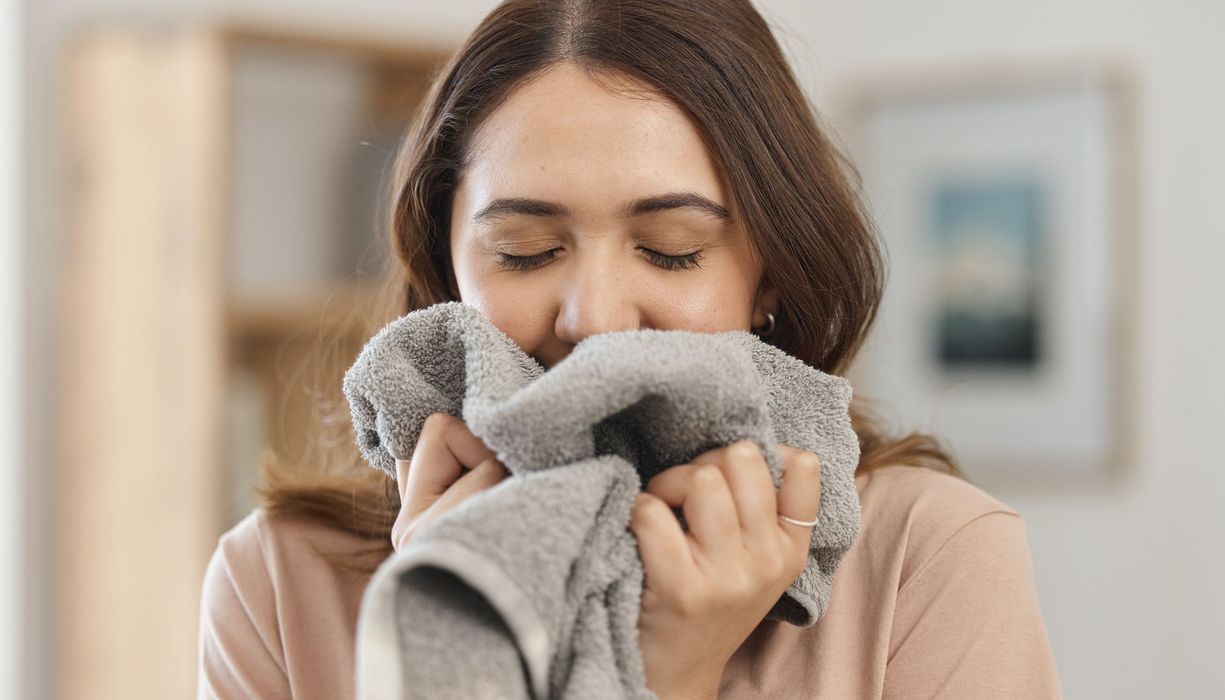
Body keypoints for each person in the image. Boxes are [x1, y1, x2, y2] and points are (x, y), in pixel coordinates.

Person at [197, 1, 1063, 698]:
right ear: (445, 267)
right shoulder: (279, 581)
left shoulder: (928, 557)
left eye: (672, 248)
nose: (598, 320)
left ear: (770, 274)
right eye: (528, 252)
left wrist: (674, 672)